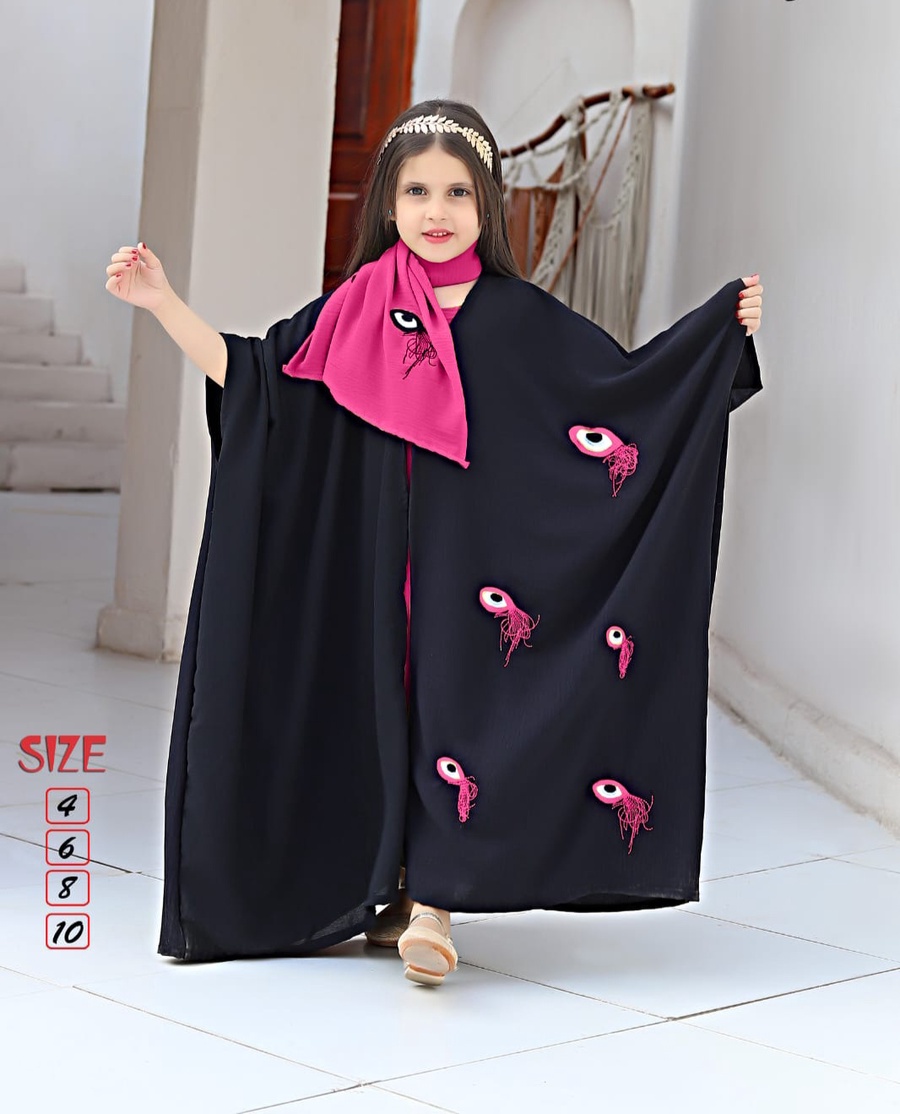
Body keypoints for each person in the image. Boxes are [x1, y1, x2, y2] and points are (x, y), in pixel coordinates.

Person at [105, 98, 764, 988]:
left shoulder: (521, 318)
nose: (436, 211)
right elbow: (260, 377)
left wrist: (716, 340)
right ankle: (391, 886)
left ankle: (435, 905)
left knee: (458, 719)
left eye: (458, 192)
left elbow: (622, 394)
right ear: (388, 203)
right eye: (417, 191)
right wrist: (162, 304)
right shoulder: (359, 306)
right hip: (375, 569)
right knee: (378, 714)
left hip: (479, 574)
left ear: (486, 203)